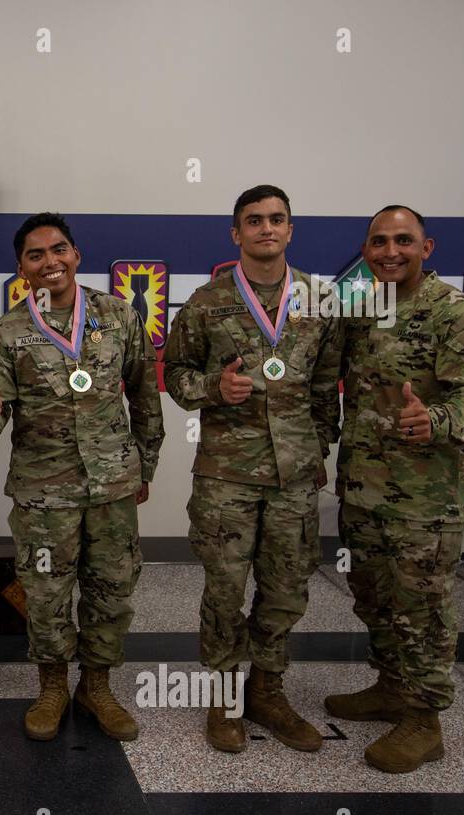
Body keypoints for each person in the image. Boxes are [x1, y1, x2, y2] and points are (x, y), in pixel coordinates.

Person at [328, 205, 464, 773]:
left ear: (426, 250)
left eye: (403, 240)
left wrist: (437, 419)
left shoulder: (456, 315)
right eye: (379, 241)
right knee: (375, 599)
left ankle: (425, 720)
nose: (390, 251)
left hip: (429, 503)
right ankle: (390, 689)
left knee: (423, 610)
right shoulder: (362, 313)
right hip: (364, 492)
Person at [0, 212, 164, 741]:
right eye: (36, 255)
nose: (49, 262)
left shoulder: (119, 316)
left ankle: (96, 686)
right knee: (47, 593)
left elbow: (146, 397)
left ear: (76, 254)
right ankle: (53, 686)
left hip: (112, 489)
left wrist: (143, 466)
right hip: (42, 493)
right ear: (22, 268)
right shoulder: (8, 331)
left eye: (58, 250)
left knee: (112, 590)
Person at [163, 185, 343, 754]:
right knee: (224, 590)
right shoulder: (207, 302)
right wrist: (215, 387)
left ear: (290, 230)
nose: (266, 228)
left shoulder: (320, 301)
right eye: (254, 221)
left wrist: (318, 451)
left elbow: (325, 387)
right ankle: (224, 699)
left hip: (294, 477)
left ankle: (268, 689)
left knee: (287, 589)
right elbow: (174, 377)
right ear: (236, 233)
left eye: (277, 219)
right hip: (227, 476)